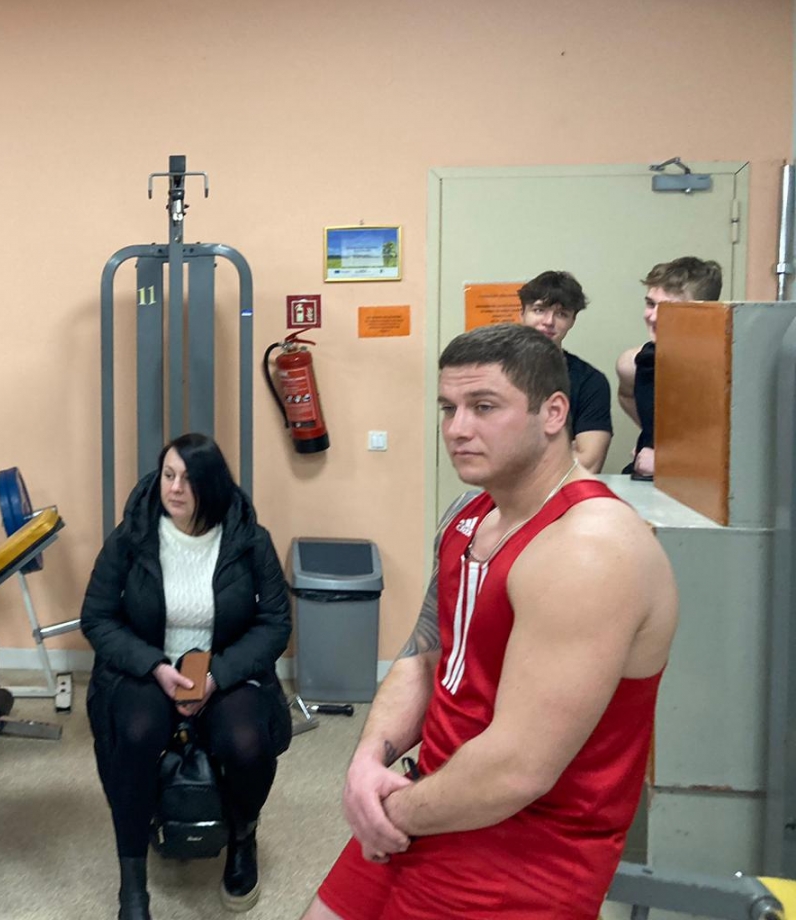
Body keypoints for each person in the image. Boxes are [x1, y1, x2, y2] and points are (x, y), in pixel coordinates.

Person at [305, 323, 678, 920]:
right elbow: (427, 654)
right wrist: (367, 762)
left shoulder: (591, 549)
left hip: (523, 853)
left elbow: (516, 771)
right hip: (434, 798)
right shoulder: (472, 513)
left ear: (553, 413)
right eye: (448, 408)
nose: (457, 428)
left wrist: (385, 814)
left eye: (483, 407)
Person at [81, 433, 293, 920]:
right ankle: (132, 882)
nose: (174, 488)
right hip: (148, 664)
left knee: (246, 743)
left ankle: (243, 837)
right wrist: (153, 665)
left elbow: (275, 624)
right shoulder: (133, 535)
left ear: (212, 485)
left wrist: (218, 674)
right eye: (168, 475)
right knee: (134, 734)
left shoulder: (248, 539)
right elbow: (97, 617)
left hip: (222, 666)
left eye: (188, 479)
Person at [615, 257, 722, 478]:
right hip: (648, 483)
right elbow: (627, 395)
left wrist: (671, 461)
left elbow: (744, 452)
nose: (653, 317)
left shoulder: (728, 369)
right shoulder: (634, 364)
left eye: (667, 308)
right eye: (650, 304)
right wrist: (656, 439)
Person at [516, 270, 612, 472]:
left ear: (572, 321)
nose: (549, 321)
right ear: (522, 313)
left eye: (561, 314)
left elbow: (590, 463)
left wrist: (519, 456)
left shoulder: (590, 381)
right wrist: (564, 453)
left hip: (564, 490)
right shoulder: (493, 372)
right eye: (539, 310)